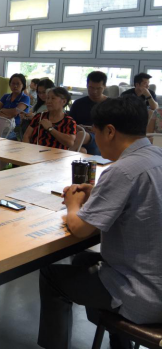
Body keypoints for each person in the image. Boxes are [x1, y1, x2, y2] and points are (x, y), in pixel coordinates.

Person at [38, 96, 162, 350]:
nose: (95, 139)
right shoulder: (156, 156)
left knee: (51, 275)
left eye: (95, 132)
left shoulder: (122, 170)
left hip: (144, 294)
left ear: (110, 131)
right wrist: (99, 194)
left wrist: (73, 204)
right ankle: (119, 342)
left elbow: (81, 229)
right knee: (82, 260)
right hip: (155, 276)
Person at [69, 71, 108, 155]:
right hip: (79, 136)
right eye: (91, 87)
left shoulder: (111, 105)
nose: (94, 91)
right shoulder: (78, 103)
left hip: (101, 137)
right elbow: (70, 123)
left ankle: (64, 155)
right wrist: (77, 127)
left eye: (98, 88)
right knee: (81, 150)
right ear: (87, 85)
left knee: (82, 136)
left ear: (105, 86)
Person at [0, 73, 30, 141]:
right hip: (1, 125)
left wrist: (2, 110)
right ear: (10, 85)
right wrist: (7, 117)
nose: (15, 86)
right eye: (13, 83)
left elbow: (15, 112)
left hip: (16, 129)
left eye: (18, 84)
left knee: (0, 140)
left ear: (23, 85)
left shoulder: (25, 98)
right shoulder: (5, 96)